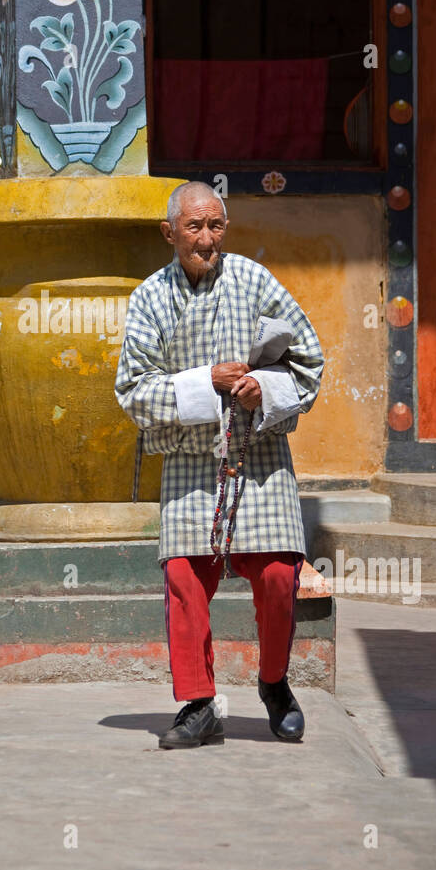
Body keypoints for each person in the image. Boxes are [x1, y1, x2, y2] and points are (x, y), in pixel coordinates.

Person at [115, 182, 324, 749]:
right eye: (194, 227)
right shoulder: (149, 298)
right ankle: (199, 704)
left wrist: (266, 388)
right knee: (184, 579)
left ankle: (276, 685)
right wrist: (204, 382)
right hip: (188, 461)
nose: (207, 239)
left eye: (216, 227)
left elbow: (310, 362)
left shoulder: (256, 281)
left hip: (257, 456)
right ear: (169, 233)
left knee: (281, 574)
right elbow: (132, 391)